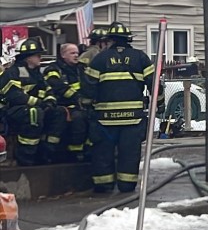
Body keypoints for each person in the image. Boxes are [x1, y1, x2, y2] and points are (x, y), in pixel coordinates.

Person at [80, 23, 153, 192]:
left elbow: (88, 87)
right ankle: (127, 185)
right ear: (128, 39)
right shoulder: (141, 57)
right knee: (129, 154)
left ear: (110, 40)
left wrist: (86, 105)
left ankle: (104, 186)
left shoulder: (99, 59)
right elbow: (154, 85)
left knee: (103, 153)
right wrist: (160, 103)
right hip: (133, 119)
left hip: (105, 120)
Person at [2, 38, 49, 166]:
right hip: (9, 110)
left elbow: (45, 89)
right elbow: (15, 96)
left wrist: (49, 101)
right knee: (33, 113)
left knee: (57, 112)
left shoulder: (36, 74)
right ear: (28, 57)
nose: (40, 58)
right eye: (38, 55)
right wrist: (39, 103)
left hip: (28, 108)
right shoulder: (13, 72)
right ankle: (25, 156)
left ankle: (48, 153)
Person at [43, 43, 90, 162]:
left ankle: (87, 151)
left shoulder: (82, 68)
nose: (76, 55)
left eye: (77, 53)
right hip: (62, 105)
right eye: (72, 53)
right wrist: (76, 96)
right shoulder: (53, 69)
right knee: (78, 119)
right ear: (63, 55)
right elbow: (56, 85)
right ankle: (72, 153)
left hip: (82, 105)